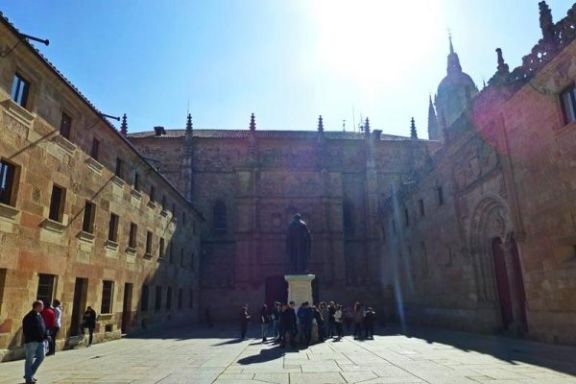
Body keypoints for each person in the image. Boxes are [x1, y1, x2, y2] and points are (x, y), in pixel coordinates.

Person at [22, 300, 47, 384]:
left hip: (40, 341)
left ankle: (29, 374)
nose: (43, 307)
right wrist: (34, 337)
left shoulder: (39, 315)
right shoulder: (29, 316)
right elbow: (27, 329)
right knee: (29, 359)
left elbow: (43, 326)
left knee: (41, 357)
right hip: (32, 341)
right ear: (37, 306)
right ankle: (29, 378)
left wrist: (46, 336)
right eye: (41, 306)